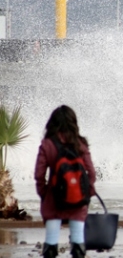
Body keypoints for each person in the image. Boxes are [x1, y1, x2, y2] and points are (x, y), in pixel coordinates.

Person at [34, 105, 97, 258]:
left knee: (51, 242)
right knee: (78, 241)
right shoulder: (80, 144)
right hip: (78, 199)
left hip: (54, 199)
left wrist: (44, 194)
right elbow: (92, 172)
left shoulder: (47, 144)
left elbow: (39, 175)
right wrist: (86, 193)